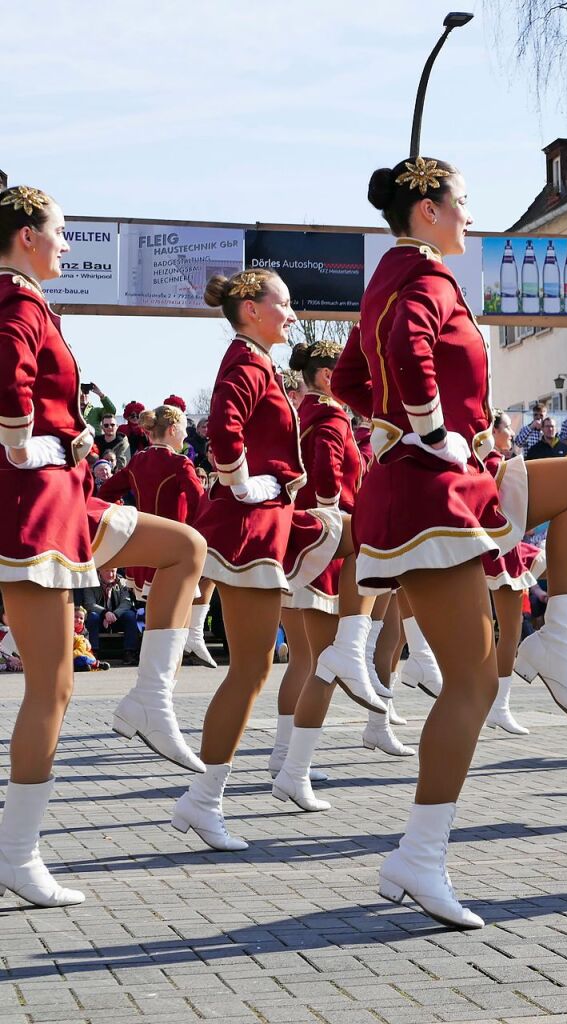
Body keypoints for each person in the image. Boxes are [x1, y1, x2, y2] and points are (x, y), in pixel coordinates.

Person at [330, 154, 567, 929]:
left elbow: (352, 379)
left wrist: (414, 423)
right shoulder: (416, 282)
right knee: (471, 684)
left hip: (444, 478)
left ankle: (559, 641)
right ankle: (416, 859)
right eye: (460, 202)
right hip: (432, 490)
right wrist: (428, 429)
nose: (469, 215)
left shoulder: (395, 278)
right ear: (426, 210)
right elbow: (408, 357)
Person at [171, 268, 364, 853]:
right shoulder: (245, 362)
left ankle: (353, 647)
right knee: (251, 669)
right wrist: (242, 485)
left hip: (270, 520)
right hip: (250, 528)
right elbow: (222, 432)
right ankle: (202, 799)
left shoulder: (258, 360)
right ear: (252, 308)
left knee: (364, 537)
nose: (292, 311)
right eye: (282, 302)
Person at [0, 185, 109, 907]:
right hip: (30, 505)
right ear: (28, 236)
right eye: (61, 231)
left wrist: (66, 436)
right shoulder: (17, 304)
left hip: (52, 498)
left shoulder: (29, 301)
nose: (67, 243)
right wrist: (28, 447)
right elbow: (9, 387)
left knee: (58, 679)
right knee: (53, 683)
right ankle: (17, 853)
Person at [271, 340, 413, 811]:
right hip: (329, 544)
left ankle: (286, 760)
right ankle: (292, 769)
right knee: (326, 664)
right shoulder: (329, 417)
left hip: (309, 542)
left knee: (310, 663)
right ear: (328, 376)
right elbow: (329, 483)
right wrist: (340, 525)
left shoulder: (305, 411)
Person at [97, 403, 215, 667]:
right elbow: (200, 505)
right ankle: (169, 666)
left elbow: (105, 493)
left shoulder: (138, 460)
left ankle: (159, 674)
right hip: (175, 552)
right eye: (184, 429)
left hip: (144, 552)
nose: (186, 435)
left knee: (159, 617)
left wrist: (126, 520)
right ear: (172, 429)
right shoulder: (180, 463)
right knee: (178, 614)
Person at [481, 410, 545, 735]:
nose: (510, 434)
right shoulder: (495, 464)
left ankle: (494, 704)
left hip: (498, 551)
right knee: (509, 631)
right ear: (492, 431)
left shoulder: (487, 462)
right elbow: (514, 514)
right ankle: (498, 706)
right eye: (506, 428)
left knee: (500, 633)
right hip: (500, 553)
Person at [76, 568, 141, 665]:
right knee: (93, 616)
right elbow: (89, 604)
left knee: (130, 615)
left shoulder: (122, 582)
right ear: (100, 571)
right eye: (107, 571)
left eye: (113, 571)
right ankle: (93, 652)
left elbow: (126, 602)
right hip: (100, 619)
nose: (111, 574)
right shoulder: (91, 582)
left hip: (117, 618)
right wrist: (105, 613)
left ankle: (130, 652)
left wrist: (114, 614)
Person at [73, 606, 110, 672]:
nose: (78, 620)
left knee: (88, 658)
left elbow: (87, 647)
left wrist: (86, 642)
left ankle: (92, 664)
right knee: (79, 659)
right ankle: (92, 665)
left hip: (82, 653)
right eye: (75, 617)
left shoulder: (85, 631)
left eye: (81, 618)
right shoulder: (67, 629)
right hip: (72, 654)